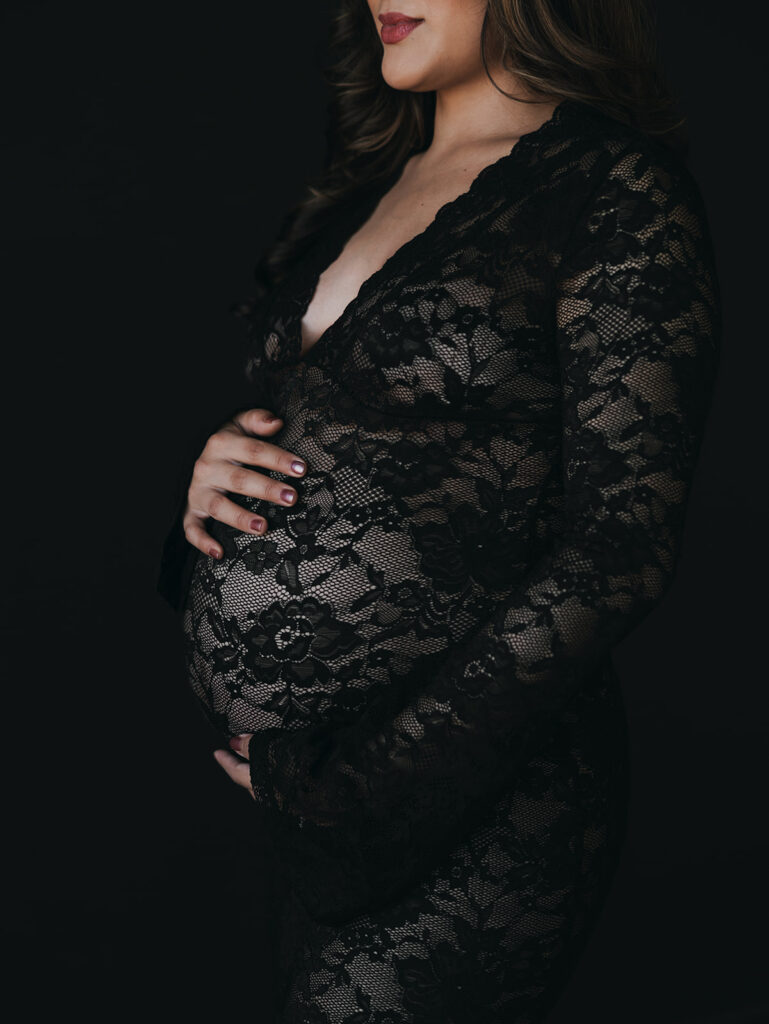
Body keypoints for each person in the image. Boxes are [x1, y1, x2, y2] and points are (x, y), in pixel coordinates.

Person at [156, 1, 721, 1020]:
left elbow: (621, 547)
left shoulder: (609, 188)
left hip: (470, 786)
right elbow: (348, 460)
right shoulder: (361, 189)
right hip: (309, 790)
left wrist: (365, 785)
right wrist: (206, 495)